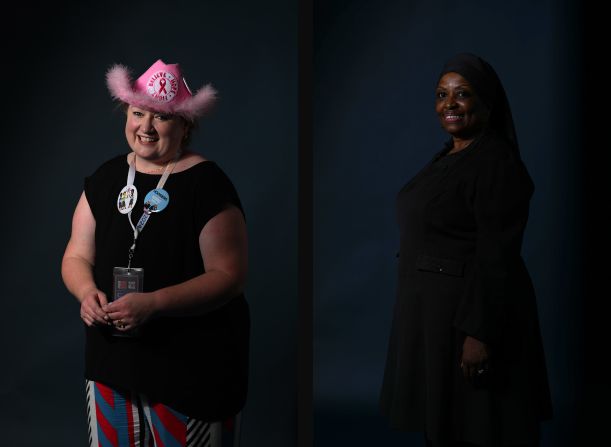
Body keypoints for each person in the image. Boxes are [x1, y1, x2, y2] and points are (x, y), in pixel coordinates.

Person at [61, 59, 249, 446]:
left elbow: (228, 277)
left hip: (190, 365)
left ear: (185, 125)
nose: (145, 127)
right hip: (112, 359)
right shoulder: (106, 178)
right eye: (137, 113)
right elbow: (76, 256)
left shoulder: (207, 185)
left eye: (161, 117)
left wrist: (155, 303)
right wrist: (84, 293)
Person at [379, 53, 552, 447]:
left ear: (486, 102)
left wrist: (478, 333)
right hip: (435, 318)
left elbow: (498, 253)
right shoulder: (451, 156)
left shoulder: (495, 162)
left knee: (479, 426)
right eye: (442, 94)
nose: (449, 104)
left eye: (462, 94)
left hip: (466, 319)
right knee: (448, 425)